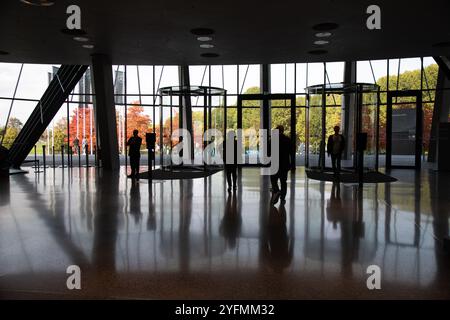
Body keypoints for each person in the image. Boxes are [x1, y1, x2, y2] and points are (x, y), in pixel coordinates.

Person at [271, 125, 294, 205]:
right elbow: (292, 152)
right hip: (284, 164)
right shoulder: (288, 139)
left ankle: (277, 191)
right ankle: (283, 198)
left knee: (273, 179)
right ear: (283, 130)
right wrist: (291, 164)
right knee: (283, 181)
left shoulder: (273, 139)